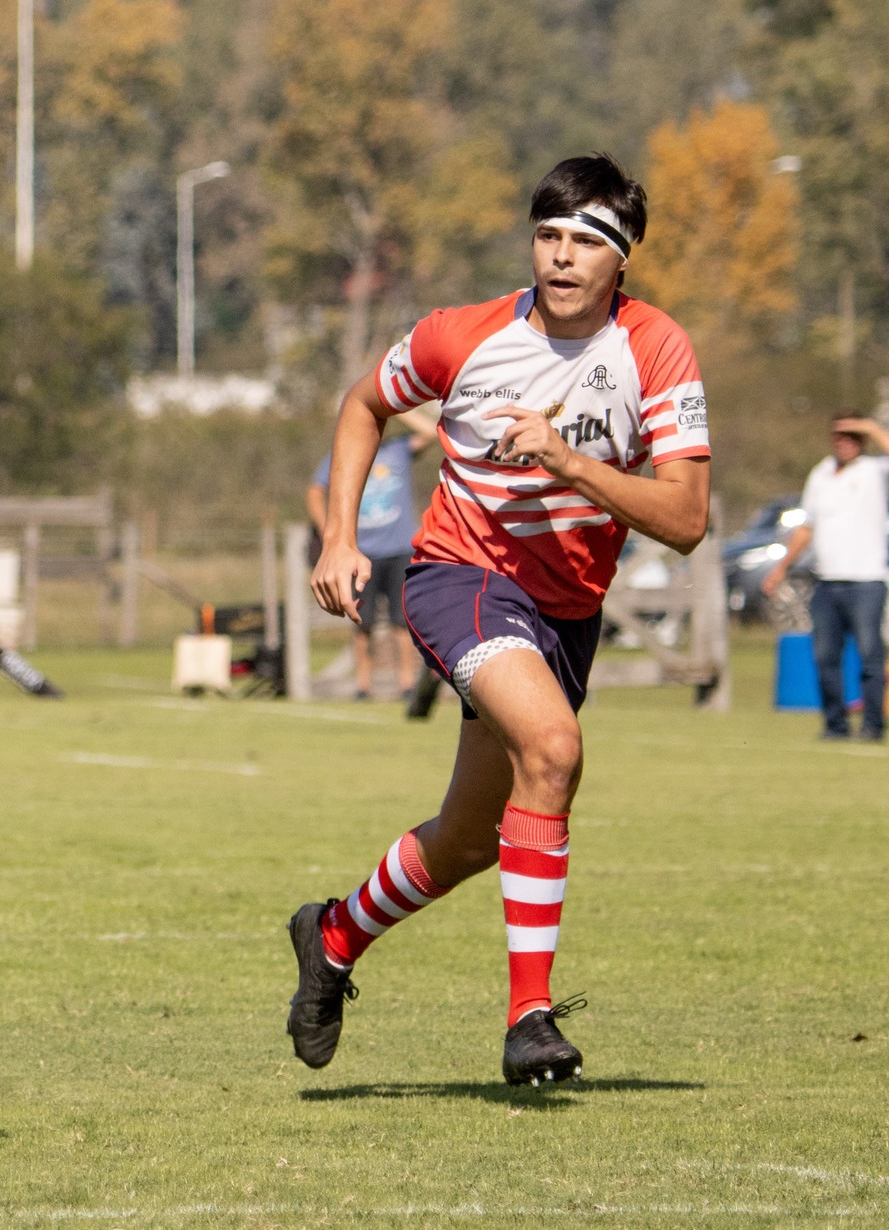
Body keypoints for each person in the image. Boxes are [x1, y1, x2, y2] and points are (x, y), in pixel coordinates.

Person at [290, 154, 711, 1086]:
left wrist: (572, 465)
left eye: (587, 242)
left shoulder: (658, 349)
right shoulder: (460, 335)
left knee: (472, 839)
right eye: (549, 236)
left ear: (623, 260)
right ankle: (529, 1017)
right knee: (553, 750)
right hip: (461, 575)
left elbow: (685, 521)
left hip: (568, 610)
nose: (563, 258)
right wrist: (338, 537)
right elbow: (362, 405)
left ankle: (331, 934)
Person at [761, 417, 889, 740]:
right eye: (838, 435)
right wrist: (781, 567)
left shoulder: (875, 471)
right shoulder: (820, 473)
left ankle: (872, 726)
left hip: (867, 580)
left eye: (851, 435)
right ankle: (836, 725)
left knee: (870, 656)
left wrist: (872, 429)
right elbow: (807, 526)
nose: (844, 441)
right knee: (825, 657)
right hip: (827, 582)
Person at [305, 411, 436, 699]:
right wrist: (330, 530)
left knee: (402, 622)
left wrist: (399, 406)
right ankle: (363, 686)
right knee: (361, 622)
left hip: (400, 548)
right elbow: (315, 491)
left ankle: (406, 684)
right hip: (361, 553)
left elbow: (432, 432)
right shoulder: (344, 452)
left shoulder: (399, 449)